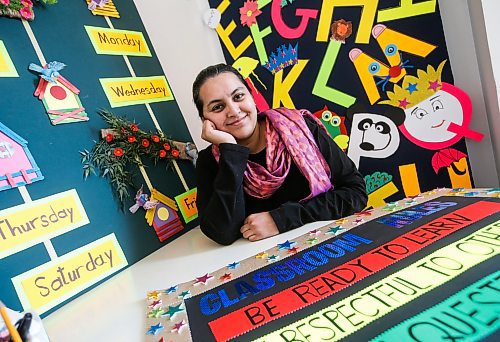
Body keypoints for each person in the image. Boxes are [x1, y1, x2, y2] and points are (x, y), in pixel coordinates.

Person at [193, 64, 367, 245]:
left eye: (238, 97)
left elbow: (355, 193)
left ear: (252, 97)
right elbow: (222, 233)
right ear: (206, 120)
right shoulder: (211, 161)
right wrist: (230, 152)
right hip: (264, 263)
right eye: (218, 107)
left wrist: (281, 219)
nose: (234, 111)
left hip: (331, 244)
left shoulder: (300, 127)